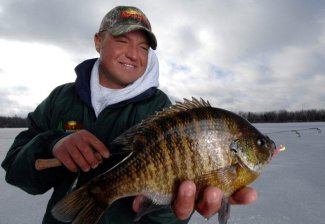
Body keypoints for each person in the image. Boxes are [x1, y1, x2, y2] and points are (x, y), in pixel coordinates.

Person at [1, 5, 257, 224]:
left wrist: (169, 207)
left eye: (144, 47)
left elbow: (161, 211)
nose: (134, 55)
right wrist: (52, 143)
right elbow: (16, 173)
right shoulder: (62, 98)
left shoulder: (159, 109)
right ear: (98, 42)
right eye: (122, 41)